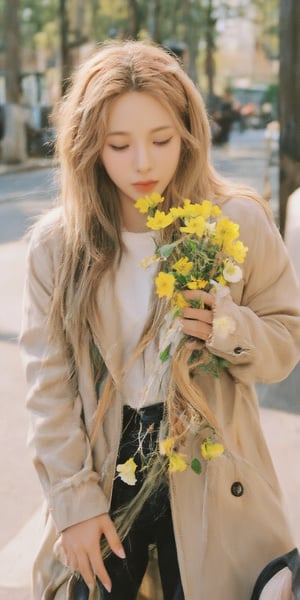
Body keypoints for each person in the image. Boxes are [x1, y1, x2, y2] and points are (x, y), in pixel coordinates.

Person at [20, 40, 300, 600]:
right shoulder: (58, 246)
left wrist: (227, 326)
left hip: (212, 472)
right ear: (87, 146)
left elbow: (285, 342)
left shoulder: (236, 220)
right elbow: (48, 387)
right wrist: (73, 503)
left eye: (162, 140)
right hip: (104, 470)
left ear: (189, 134)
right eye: (118, 145)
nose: (143, 163)